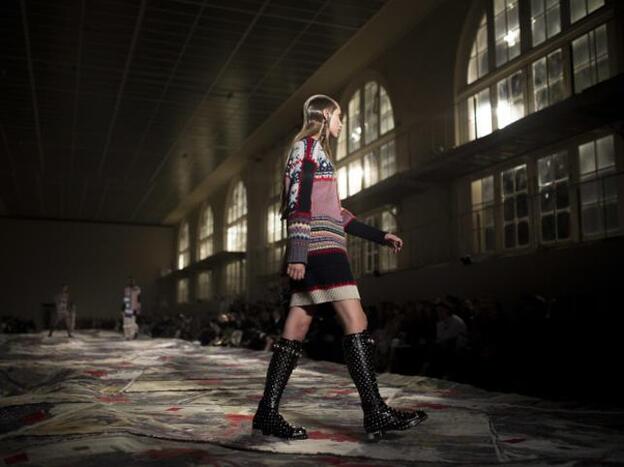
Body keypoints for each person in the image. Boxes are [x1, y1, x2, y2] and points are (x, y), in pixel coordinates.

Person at [252, 95, 427, 441]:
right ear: (325, 115)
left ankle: (266, 413)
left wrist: (379, 235)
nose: (342, 123)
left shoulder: (316, 152)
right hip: (321, 249)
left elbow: (336, 212)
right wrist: (299, 252)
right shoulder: (308, 148)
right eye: (339, 117)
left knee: (297, 324)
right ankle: (375, 411)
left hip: (317, 244)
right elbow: (297, 202)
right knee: (356, 320)